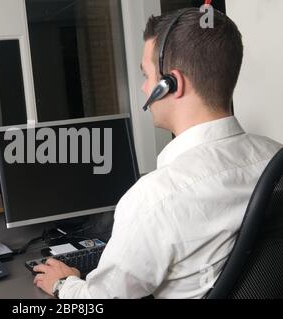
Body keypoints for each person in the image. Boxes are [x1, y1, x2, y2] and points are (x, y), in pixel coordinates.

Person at [32, 8, 282, 299]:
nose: (143, 87)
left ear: (172, 84)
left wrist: (64, 285)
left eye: (146, 75)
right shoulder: (274, 158)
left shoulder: (157, 198)